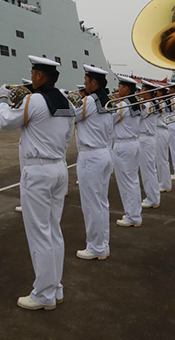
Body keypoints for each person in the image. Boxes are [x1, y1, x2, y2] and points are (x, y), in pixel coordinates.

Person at [0, 57, 74, 310]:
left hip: (38, 171)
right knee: (53, 231)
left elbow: (6, 122)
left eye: (33, 72)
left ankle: (43, 294)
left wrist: (3, 100)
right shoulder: (66, 103)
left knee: (39, 233)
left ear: (40, 76)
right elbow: (67, 137)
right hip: (59, 167)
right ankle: (55, 287)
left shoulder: (34, 100)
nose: (31, 77)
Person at [73, 65, 114, 260]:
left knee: (91, 204)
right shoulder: (107, 101)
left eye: (86, 81)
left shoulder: (90, 100)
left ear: (94, 82)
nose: (84, 84)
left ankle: (96, 246)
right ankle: (102, 244)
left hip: (91, 157)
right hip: (103, 153)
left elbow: (72, 115)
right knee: (101, 202)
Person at [111, 76, 143, 227]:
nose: (118, 90)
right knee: (133, 181)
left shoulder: (123, 104)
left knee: (126, 182)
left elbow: (110, 120)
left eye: (120, 87)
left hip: (123, 145)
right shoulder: (135, 103)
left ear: (126, 89)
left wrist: (115, 103)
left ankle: (132, 216)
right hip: (133, 143)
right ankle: (135, 214)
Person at [137, 81, 162, 210]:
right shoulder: (152, 103)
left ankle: (152, 199)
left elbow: (139, 117)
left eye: (142, 90)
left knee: (147, 171)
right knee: (150, 169)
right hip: (148, 138)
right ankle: (154, 197)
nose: (140, 92)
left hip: (145, 139)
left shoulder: (148, 104)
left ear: (148, 92)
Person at [154, 86, 173, 193]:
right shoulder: (165, 102)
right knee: (162, 159)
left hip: (160, 131)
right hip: (162, 131)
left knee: (161, 160)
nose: (156, 93)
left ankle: (164, 184)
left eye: (158, 92)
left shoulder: (160, 103)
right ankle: (165, 182)